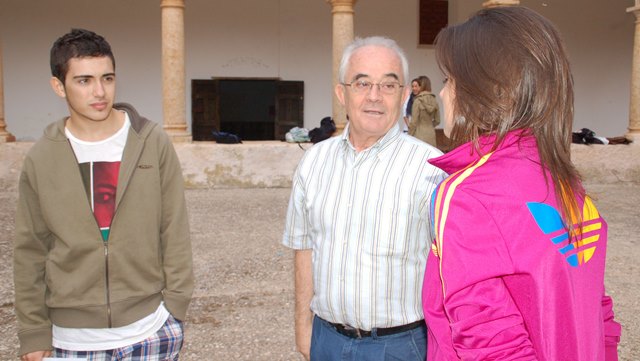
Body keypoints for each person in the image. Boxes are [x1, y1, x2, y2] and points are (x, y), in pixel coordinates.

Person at [421, 6, 621, 360]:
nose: (442, 94)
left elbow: (490, 342)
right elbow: (599, 313)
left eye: (448, 80)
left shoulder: (468, 194)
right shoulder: (566, 185)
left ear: (483, 92)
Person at [13, 28, 194, 361]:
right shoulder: (42, 157)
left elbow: (174, 228)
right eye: (84, 81)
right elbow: (30, 251)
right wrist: (33, 333)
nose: (99, 92)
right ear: (59, 86)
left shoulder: (151, 142)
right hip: (71, 341)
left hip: (150, 331)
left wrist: (176, 307)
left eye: (107, 78)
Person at [282, 36, 446, 360]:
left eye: (388, 85)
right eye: (362, 83)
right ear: (342, 93)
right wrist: (303, 326)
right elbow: (303, 247)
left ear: (403, 96)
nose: (374, 96)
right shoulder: (314, 162)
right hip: (326, 340)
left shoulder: (432, 171)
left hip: (400, 346)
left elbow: (453, 270)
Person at [408, 75, 440, 146]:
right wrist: (429, 125)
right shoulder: (434, 100)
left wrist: (409, 135)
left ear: (421, 86)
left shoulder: (417, 101)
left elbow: (413, 122)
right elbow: (438, 120)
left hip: (419, 136)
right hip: (431, 135)